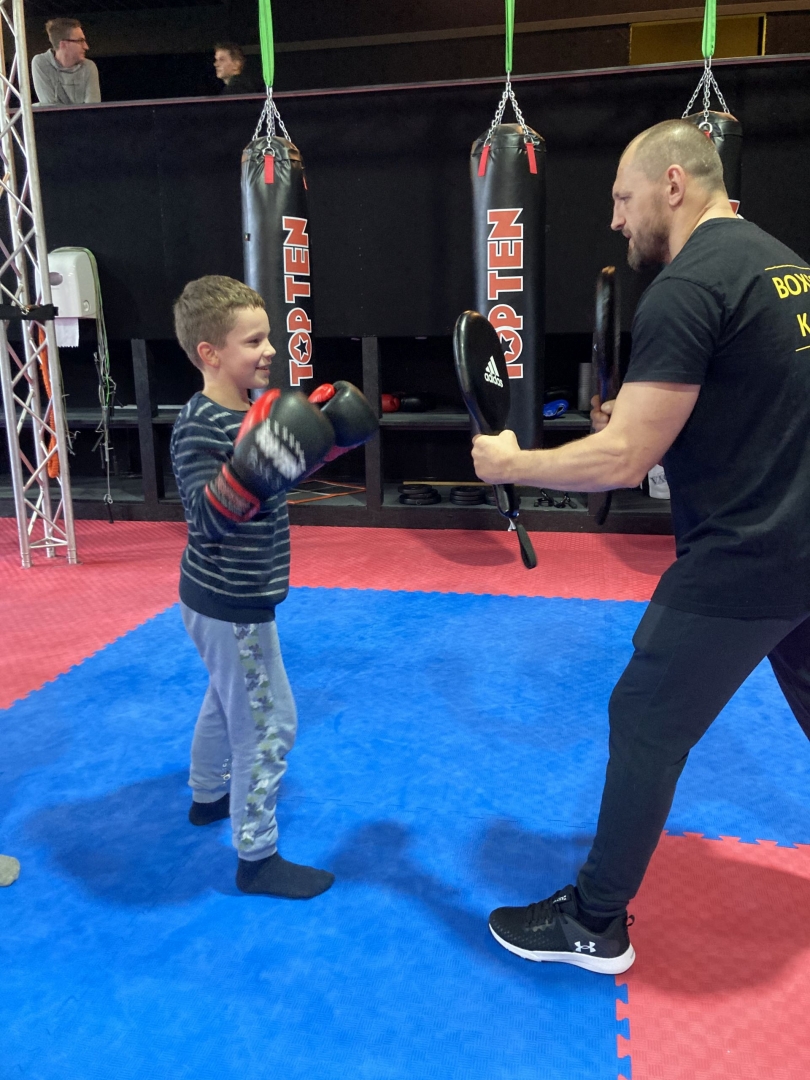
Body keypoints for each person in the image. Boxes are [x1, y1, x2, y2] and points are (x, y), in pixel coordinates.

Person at [472, 119, 810, 974]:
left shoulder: (688, 284)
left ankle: (594, 922)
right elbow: (761, 401)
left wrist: (515, 462)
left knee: (644, 719)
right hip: (800, 544)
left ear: (673, 184)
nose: (616, 219)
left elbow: (624, 460)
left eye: (624, 198)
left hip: (749, 554)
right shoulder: (788, 267)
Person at [171, 275, 376, 899]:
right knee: (270, 725)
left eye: (268, 337)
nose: (269, 351)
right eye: (253, 341)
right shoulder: (199, 424)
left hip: (226, 595)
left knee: (225, 696)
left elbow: (271, 481)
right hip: (229, 599)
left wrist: (321, 447)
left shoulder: (252, 413)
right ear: (210, 352)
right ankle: (256, 858)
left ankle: (208, 795)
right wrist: (253, 467)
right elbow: (206, 520)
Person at [31, 18, 100, 105]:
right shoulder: (41, 63)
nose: (86, 47)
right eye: (80, 41)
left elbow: (92, 108)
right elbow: (49, 108)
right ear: (63, 44)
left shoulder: (88, 66)